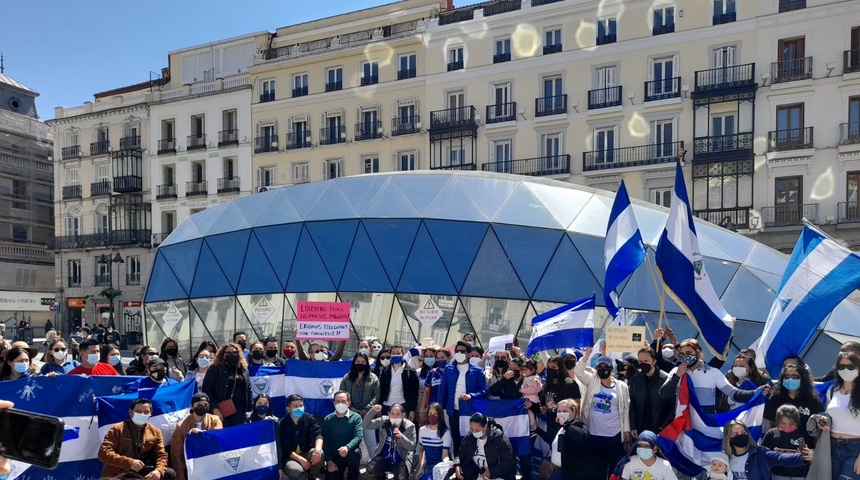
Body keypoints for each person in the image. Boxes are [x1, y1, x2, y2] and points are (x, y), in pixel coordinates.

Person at [659, 339, 763, 414]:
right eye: (682, 354)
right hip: (683, 427)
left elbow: (733, 393)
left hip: (706, 426)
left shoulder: (713, 372)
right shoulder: (676, 371)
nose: (685, 356)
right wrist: (677, 376)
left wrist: (755, 393)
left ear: (699, 354)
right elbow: (663, 394)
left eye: (689, 352)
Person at [574, 353, 631, 480]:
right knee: (597, 467)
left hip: (614, 434)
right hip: (594, 433)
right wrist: (587, 354)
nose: (603, 369)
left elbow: (626, 409)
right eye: (600, 367)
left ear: (611, 369)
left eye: (606, 367)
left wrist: (626, 429)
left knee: (614, 467)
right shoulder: (592, 380)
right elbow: (578, 371)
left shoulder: (621, 386)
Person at [98, 397, 177, 480]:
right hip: (120, 473)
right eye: (138, 412)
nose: (142, 414)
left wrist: (158, 470)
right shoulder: (117, 429)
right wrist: (129, 462)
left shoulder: (155, 432)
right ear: (130, 412)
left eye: (146, 412)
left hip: (142, 470)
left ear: (151, 413)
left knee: (169, 474)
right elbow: (103, 453)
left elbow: (161, 455)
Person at [438, 341, 488, 455]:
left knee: (470, 439)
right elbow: (443, 391)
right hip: (453, 410)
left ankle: (469, 465)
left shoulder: (477, 370)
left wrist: (471, 395)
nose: (459, 353)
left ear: (469, 354)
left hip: (469, 410)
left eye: (462, 351)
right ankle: (457, 465)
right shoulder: (448, 369)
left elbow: (484, 390)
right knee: (455, 439)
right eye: (457, 351)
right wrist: (439, 410)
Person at [723, 419, 809, 480]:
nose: (740, 436)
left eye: (743, 433)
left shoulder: (760, 453)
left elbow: (780, 458)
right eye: (735, 434)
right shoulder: (724, 457)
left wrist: (803, 457)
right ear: (728, 438)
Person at [822, 351, 860, 480]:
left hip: (855, 448)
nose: (845, 370)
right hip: (832, 446)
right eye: (841, 367)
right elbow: (828, 415)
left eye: (850, 366)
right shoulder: (832, 391)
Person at [534, 398, 593, 480]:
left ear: (573, 411)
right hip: (558, 470)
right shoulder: (562, 428)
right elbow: (553, 442)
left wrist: (565, 424)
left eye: (565, 411)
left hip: (571, 473)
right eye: (559, 411)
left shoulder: (578, 425)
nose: (561, 413)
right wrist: (537, 429)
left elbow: (580, 436)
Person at [339, 352, 380, 463]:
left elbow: (376, 395)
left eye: (363, 362)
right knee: (349, 442)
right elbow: (341, 394)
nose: (360, 364)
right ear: (354, 363)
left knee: (371, 442)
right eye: (358, 362)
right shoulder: (347, 378)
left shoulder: (373, 378)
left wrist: (367, 409)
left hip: (367, 415)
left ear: (367, 363)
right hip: (350, 414)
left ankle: (375, 466)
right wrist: (351, 408)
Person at [171, 392, 222, 480]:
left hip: (211, 461)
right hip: (191, 465)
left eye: (206, 404)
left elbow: (218, 437)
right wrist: (181, 476)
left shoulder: (215, 420)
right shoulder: (181, 426)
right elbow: (176, 455)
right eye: (199, 404)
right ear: (192, 406)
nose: (202, 406)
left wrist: (203, 433)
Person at [202, 342, 252, 427]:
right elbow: (207, 390)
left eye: (234, 353)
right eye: (228, 353)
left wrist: (250, 409)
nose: (231, 355)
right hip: (222, 411)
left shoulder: (243, 369)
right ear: (222, 354)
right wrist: (214, 408)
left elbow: (249, 389)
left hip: (240, 411)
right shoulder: (214, 369)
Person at [363, 403, 417, 480]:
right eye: (392, 414)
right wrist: (373, 411)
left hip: (400, 459)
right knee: (371, 468)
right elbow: (365, 425)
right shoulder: (383, 421)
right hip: (384, 457)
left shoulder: (410, 426)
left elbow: (412, 447)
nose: (395, 416)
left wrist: (401, 436)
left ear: (403, 415)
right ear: (388, 414)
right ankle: (382, 477)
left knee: (401, 477)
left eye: (398, 414)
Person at [454, 413, 515, 480]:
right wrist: (457, 464)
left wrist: (491, 471)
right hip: (475, 473)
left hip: (496, 475)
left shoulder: (499, 438)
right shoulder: (469, 437)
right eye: (471, 429)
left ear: (485, 427)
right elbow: (461, 453)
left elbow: (508, 463)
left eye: (477, 430)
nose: (474, 432)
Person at [763, 362, 822, 432]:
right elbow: (768, 422)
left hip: (805, 441)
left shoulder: (812, 399)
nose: (790, 379)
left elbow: (819, 423)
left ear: (802, 379)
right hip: (780, 441)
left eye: (794, 377)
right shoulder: (775, 398)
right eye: (787, 377)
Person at [629, 347, 674, 437]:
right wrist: (633, 426)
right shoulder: (635, 379)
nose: (642, 364)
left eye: (646, 361)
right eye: (640, 362)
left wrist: (663, 427)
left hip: (659, 428)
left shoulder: (666, 379)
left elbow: (672, 407)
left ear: (654, 361)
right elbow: (632, 404)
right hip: (640, 428)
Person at [761, 404, 814, 480]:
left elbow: (812, 451)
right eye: (783, 424)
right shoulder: (771, 434)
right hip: (777, 473)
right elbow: (762, 454)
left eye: (791, 424)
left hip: (799, 474)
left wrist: (810, 454)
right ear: (778, 421)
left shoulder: (803, 435)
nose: (787, 427)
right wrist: (772, 454)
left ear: (797, 422)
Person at [278, 394, 324, 480]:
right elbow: (285, 449)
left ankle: (313, 476)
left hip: (306, 451)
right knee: (295, 470)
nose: (299, 408)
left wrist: (317, 450)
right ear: (288, 409)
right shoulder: (283, 423)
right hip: (291, 457)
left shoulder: (309, 418)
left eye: (301, 405)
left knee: (320, 453)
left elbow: (318, 434)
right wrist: (301, 460)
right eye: (295, 406)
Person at [322, 391, 363, 480]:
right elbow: (325, 441)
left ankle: (353, 474)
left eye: (343, 401)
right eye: (338, 401)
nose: (340, 404)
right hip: (335, 456)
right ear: (334, 403)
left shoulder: (356, 417)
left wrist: (347, 447)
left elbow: (358, 436)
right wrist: (329, 461)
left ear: (349, 403)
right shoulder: (328, 419)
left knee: (355, 455)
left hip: (350, 452)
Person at [540, 355, 582, 434]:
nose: (550, 369)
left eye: (553, 367)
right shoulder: (547, 385)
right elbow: (545, 403)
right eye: (548, 367)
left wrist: (575, 426)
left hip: (566, 426)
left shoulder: (570, 384)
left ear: (560, 368)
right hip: (551, 424)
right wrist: (544, 408)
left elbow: (577, 407)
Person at [379, 345, 419, 419]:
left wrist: (412, 409)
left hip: (402, 407)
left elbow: (414, 393)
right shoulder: (385, 371)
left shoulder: (410, 372)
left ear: (403, 354)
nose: (395, 355)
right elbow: (381, 390)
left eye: (398, 353)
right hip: (386, 406)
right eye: (393, 353)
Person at [416, 402, 452, 480]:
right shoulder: (422, 430)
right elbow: (422, 450)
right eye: (430, 413)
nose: (432, 416)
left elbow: (445, 454)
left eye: (435, 414)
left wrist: (446, 463)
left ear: (440, 416)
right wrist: (421, 467)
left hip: (440, 466)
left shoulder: (445, 432)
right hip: (427, 466)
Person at [421, 347, 450, 417]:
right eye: (438, 358)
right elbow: (426, 392)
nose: (440, 360)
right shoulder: (433, 372)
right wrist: (422, 409)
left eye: (442, 357)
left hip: (448, 409)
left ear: (449, 358)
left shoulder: (452, 372)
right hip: (433, 408)